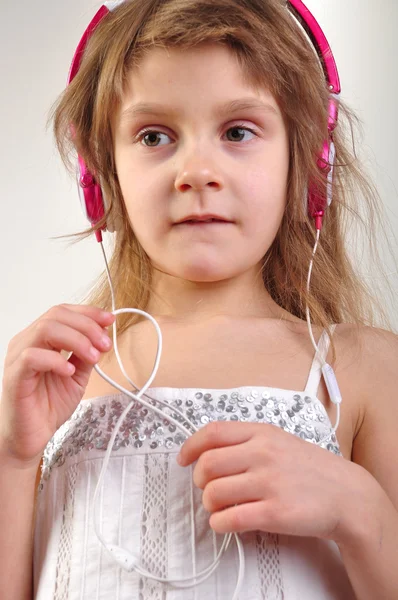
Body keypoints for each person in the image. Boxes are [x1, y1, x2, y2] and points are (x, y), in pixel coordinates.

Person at [1, 0, 397, 598]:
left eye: (238, 131)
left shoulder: (360, 369)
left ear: (308, 161)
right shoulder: (65, 381)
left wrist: (361, 512)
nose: (196, 171)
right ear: (101, 177)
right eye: (154, 135)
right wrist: (13, 456)